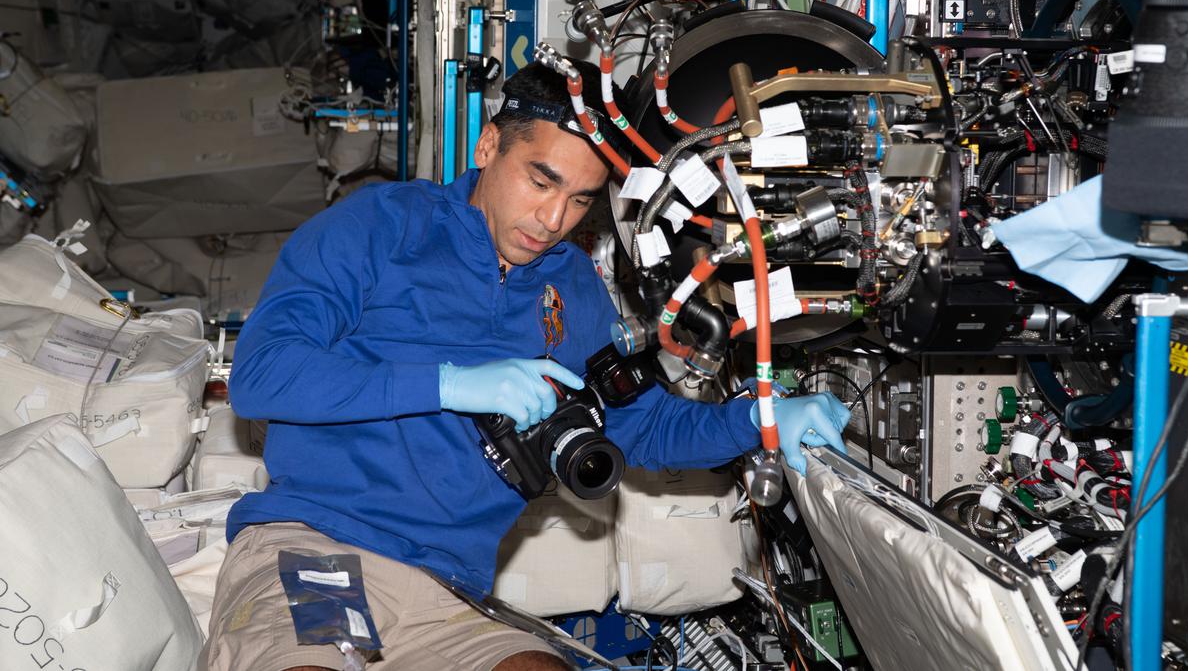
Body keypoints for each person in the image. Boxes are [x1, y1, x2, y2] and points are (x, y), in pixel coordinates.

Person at [200, 59, 851, 671]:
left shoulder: (573, 290)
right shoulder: (380, 227)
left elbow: (644, 426)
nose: (553, 218)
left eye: (580, 200)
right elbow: (262, 374)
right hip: (322, 549)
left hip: (449, 594)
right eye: (541, 181)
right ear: (488, 146)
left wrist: (761, 419)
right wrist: (448, 384)